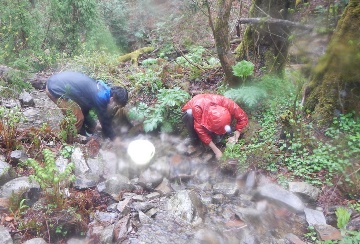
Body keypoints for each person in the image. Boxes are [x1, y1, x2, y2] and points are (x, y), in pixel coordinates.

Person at [46, 71, 128, 141]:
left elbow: (85, 108)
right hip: (55, 89)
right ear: (112, 99)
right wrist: (115, 139)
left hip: (56, 82)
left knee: (79, 114)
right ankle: (67, 142)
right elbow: (104, 121)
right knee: (77, 118)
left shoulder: (104, 89)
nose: (115, 107)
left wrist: (93, 125)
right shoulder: (101, 96)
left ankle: (77, 133)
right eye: (116, 105)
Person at [182, 94, 248, 159]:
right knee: (189, 113)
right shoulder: (197, 109)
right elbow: (200, 130)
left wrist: (236, 136)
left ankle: (216, 135)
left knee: (218, 139)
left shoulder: (227, 103)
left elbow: (242, 117)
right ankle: (194, 140)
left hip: (213, 114)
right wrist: (217, 151)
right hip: (193, 111)